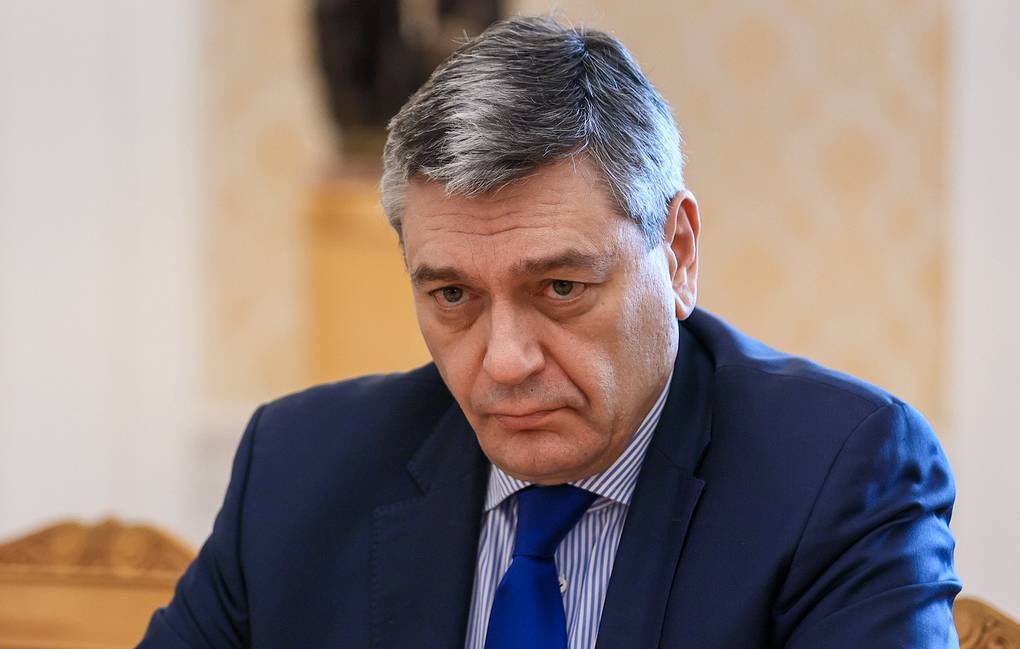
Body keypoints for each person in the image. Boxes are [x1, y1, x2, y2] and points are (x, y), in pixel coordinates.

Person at [138, 15, 960, 649]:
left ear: (677, 253)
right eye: (454, 295)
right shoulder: (297, 470)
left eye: (561, 287)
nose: (505, 360)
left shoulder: (838, 474)